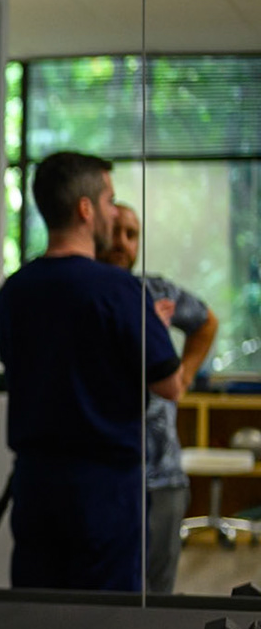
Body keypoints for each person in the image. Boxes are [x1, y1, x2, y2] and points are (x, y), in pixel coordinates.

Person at [0, 155, 185, 629]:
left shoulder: (14, 292)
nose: (110, 212)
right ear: (84, 209)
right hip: (106, 487)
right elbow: (171, 384)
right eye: (106, 201)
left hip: (37, 482)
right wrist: (150, 329)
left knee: (32, 624)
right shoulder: (120, 290)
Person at [103, 201, 218, 595]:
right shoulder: (83, 294)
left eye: (131, 234)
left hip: (162, 472)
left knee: (158, 594)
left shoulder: (154, 290)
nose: (121, 242)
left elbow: (206, 322)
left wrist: (183, 375)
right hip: (103, 472)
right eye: (115, 231)